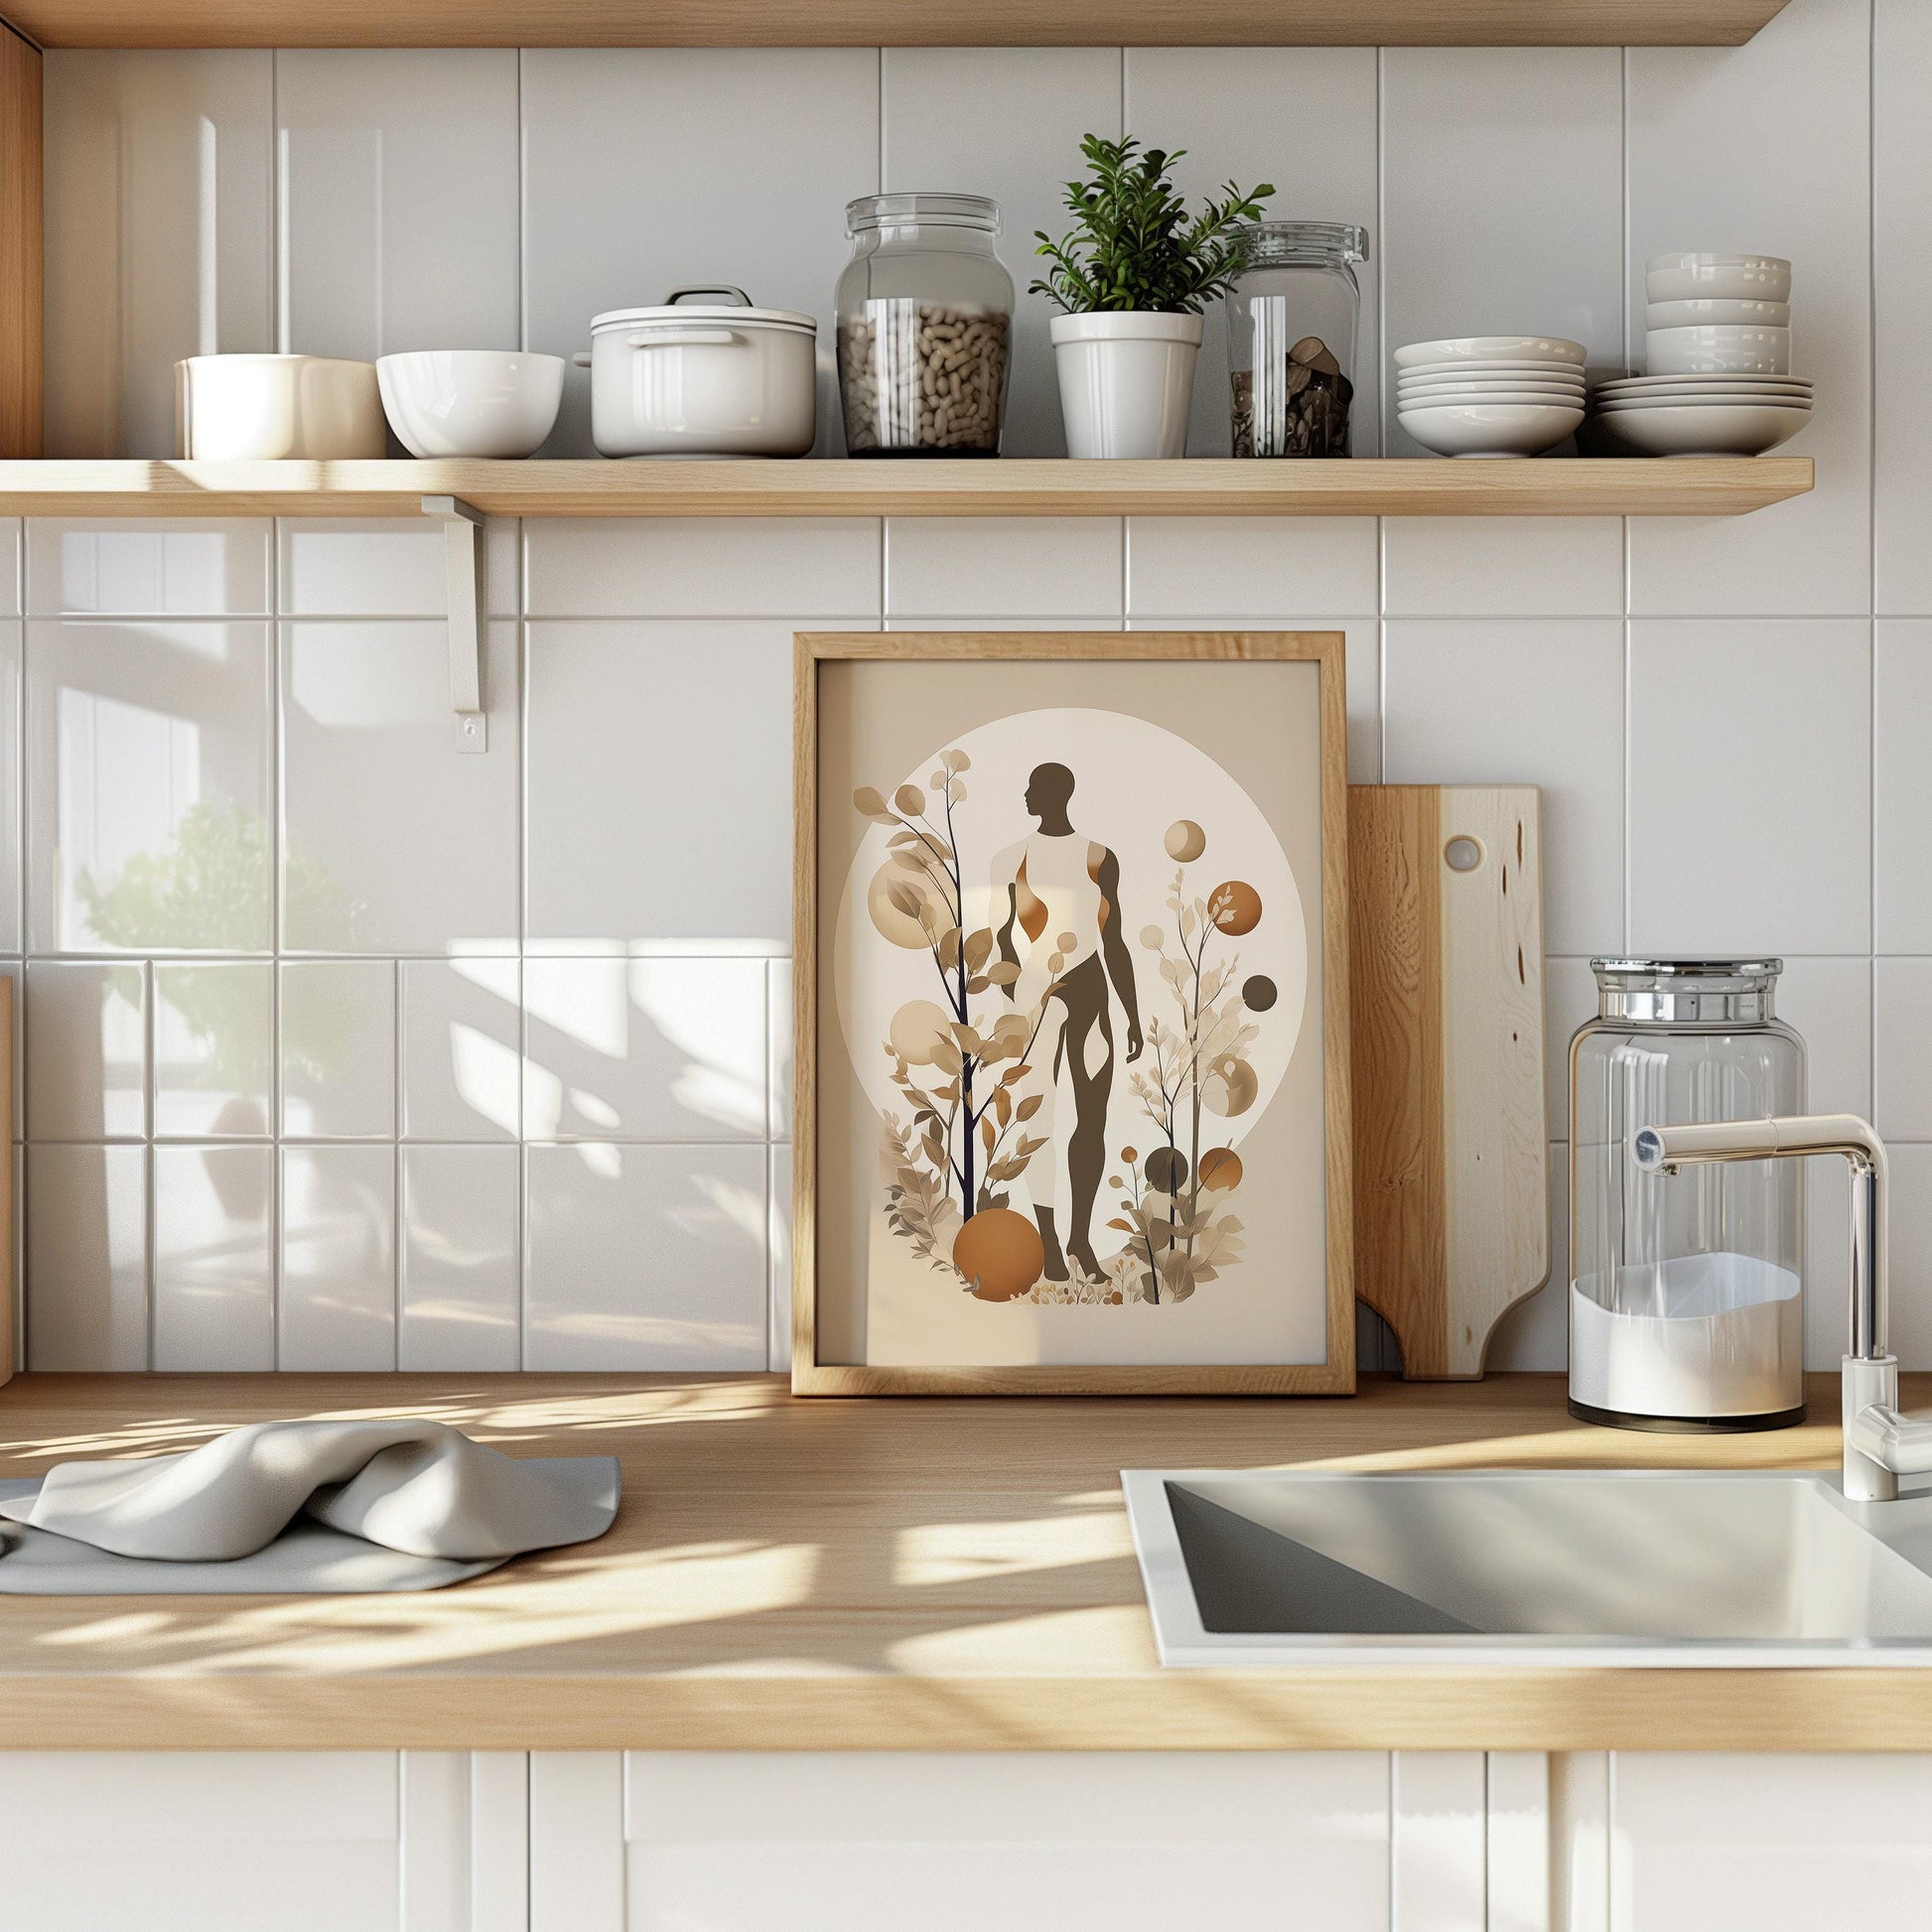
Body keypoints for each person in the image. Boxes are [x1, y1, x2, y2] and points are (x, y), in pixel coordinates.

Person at [992, 761, 1143, 1282]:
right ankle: (1049, 1241)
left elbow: (1114, 938)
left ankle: (1080, 1238)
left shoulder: (1099, 859)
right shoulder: (1010, 859)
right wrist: (1018, 998)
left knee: (1092, 1121)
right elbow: (999, 936)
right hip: (1035, 997)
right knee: (1039, 1119)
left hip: (1090, 993)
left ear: (1055, 794)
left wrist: (1133, 1013)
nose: (1025, 794)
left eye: (1032, 787)